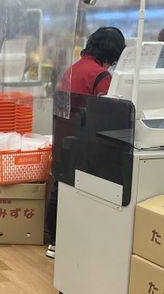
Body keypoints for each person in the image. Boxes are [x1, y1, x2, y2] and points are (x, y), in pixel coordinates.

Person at [47, 26, 126, 259]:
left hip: (64, 137)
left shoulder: (72, 69)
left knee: (61, 188)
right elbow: (111, 112)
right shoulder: (101, 76)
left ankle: (55, 242)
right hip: (86, 144)